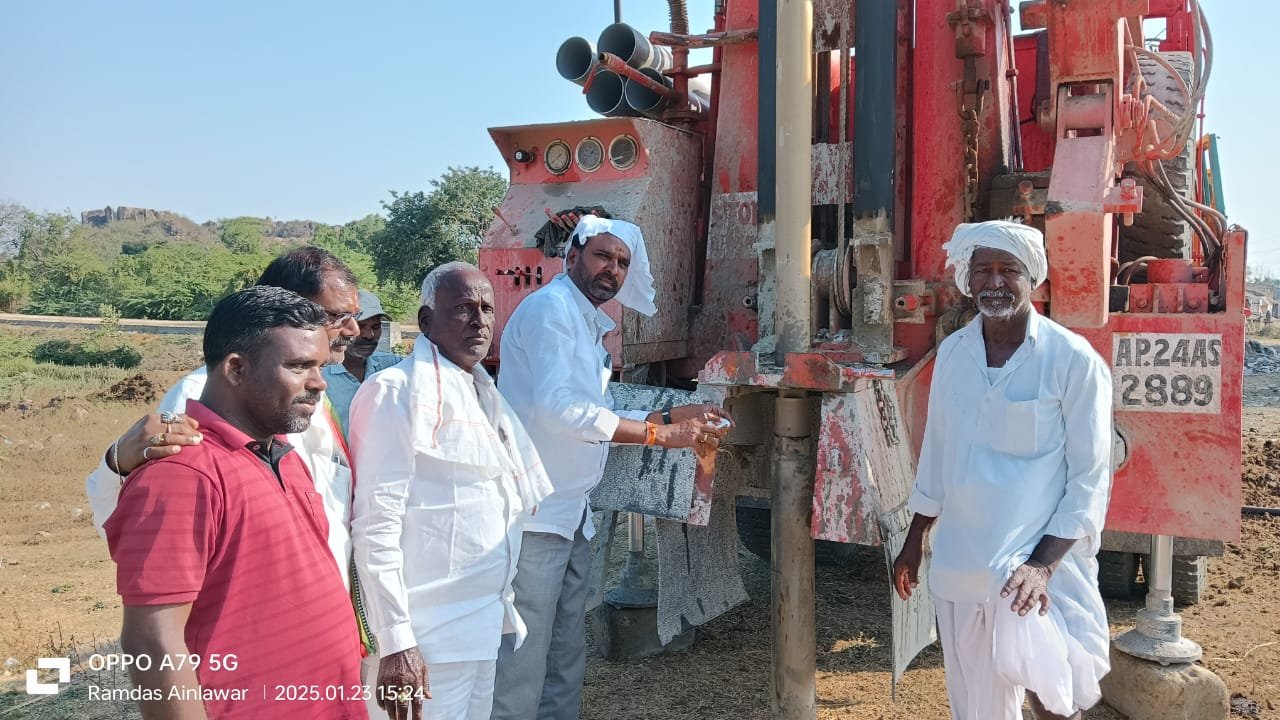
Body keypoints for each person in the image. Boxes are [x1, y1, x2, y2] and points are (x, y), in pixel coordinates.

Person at [492, 216, 732, 720]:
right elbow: (562, 411)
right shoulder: (551, 312)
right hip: (534, 516)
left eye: (623, 262)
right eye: (603, 256)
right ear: (573, 254)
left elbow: (589, 409)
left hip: (569, 512)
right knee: (523, 661)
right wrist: (658, 434)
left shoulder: (585, 321)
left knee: (563, 656)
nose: (613, 269)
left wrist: (669, 417)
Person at [105, 286, 366, 719]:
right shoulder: (182, 474)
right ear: (236, 369)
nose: (319, 382)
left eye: (318, 365)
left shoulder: (282, 454)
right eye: (300, 366)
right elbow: (152, 642)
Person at [892, 220, 1113, 720]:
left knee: (1052, 692)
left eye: (1008, 269)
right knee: (977, 703)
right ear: (967, 280)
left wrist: (1042, 565)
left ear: (1032, 278)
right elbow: (938, 453)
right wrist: (914, 540)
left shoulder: (1073, 360)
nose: (994, 281)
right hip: (963, 562)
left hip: (1034, 565)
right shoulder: (952, 354)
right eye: (983, 269)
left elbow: (1090, 478)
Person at [86, 247, 362, 590]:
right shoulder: (202, 397)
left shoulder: (311, 395)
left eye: (354, 315)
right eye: (336, 316)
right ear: (282, 306)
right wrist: (115, 465)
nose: (354, 330)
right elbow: (155, 524)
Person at [349, 262, 554, 720]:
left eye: (486, 308)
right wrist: (397, 641)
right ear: (426, 321)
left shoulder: (482, 394)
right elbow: (375, 527)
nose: (479, 320)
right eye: (463, 308)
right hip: (425, 637)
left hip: (480, 628)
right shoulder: (396, 393)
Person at [325, 289, 401, 435]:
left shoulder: (391, 365)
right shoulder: (321, 373)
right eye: (361, 326)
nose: (369, 335)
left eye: (375, 327)